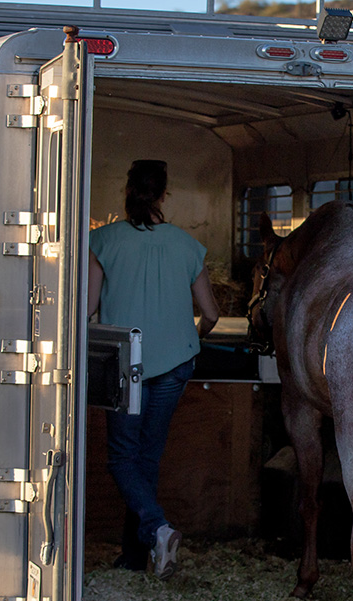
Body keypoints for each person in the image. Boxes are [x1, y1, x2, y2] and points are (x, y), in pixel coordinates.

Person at [88, 159, 219, 578]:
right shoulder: (188, 245)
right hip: (175, 363)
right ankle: (138, 552)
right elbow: (212, 313)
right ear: (164, 196)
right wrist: (187, 331)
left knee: (123, 458)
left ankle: (155, 533)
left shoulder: (102, 242)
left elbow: (89, 310)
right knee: (147, 457)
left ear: (126, 193)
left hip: (126, 362)